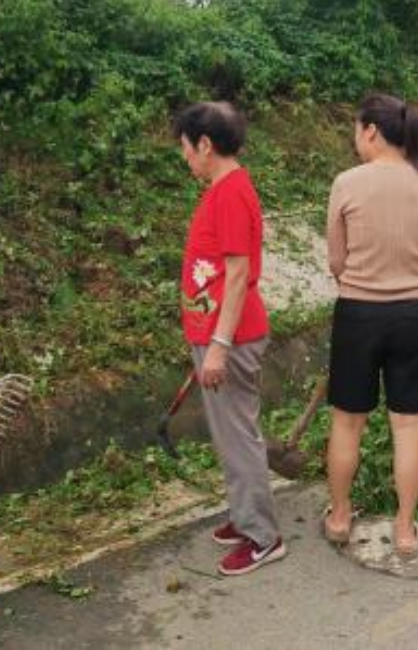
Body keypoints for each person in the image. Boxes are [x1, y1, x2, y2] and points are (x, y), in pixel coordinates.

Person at [322, 94, 418, 560]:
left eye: (356, 130)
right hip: (413, 314)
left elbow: (336, 260)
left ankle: (339, 517)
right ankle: (403, 531)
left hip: (357, 313)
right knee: (408, 425)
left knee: (347, 421)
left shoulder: (346, 183)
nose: (355, 139)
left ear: (371, 131)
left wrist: (363, 279)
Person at [169, 102, 285, 576]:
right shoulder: (223, 189)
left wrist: (217, 344)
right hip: (220, 334)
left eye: (185, 149)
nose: (184, 160)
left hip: (231, 339)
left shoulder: (232, 192)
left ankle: (264, 535)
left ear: (205, 144)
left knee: (238, 437)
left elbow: (237, 276)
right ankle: (244, 516)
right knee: (230, 435)